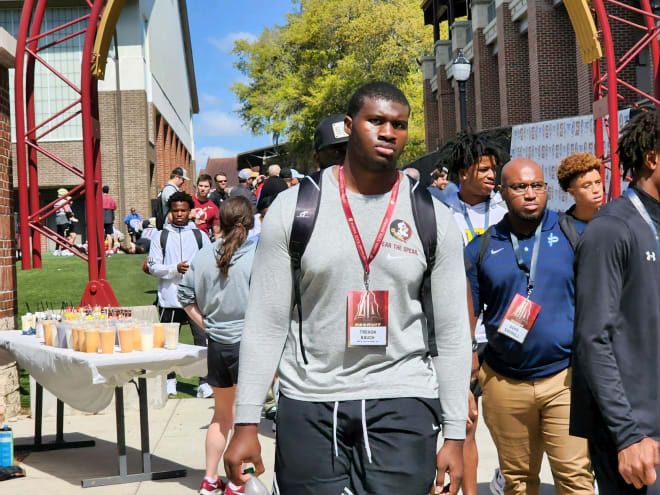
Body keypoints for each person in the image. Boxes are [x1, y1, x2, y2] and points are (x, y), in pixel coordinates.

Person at [224, 81, 471, 494]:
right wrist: (246, 421)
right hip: (310, 398)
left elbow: (450, 332)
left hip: (403, 396)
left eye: (399, 124)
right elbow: (266, 322)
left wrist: (455, 434)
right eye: (376, 121)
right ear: (349, 125)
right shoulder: (295, 209)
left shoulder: (434, 217)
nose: (389, 132)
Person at [465, 158, 594, 495]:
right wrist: (467, 367)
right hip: (504, 382)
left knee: (576, 478)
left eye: (537, 185)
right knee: (518, 482)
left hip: (563, 379)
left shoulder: (573, 234)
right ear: (502, 192)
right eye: (520, 187)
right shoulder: (481, 248)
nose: (530, 194)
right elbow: (469, 315)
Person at [571, 110, 660, 494]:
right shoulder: (611, 230)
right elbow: (593, 338)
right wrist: (628, 435)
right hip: (639, 438)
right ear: (653, 159)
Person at [442, 131, 509, 495]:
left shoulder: (507, 210)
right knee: (465, 425)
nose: (490, 176)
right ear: (463, 172)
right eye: (483, 169)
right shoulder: (440, 214)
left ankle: (506, 478)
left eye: (493, 170)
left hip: (504, 334)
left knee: (511, 424)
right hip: (460, 338)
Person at [178, 196, 258, 495]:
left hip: (218, 345)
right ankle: (239, 482)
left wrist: (206, 325)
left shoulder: (201, 256)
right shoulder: (257, 254)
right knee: (245, 420)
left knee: (221, 416)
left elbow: (184, 297)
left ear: (218, 221)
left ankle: (210, 479)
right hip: (247, 345)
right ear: (249, 223)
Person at [147, 191, 212, 398]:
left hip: (196, 298)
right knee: (168, 343)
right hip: (169, 298)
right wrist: (174, 268)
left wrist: (197, 270)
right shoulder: (161, 236)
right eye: (175, 211)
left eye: (183, 210)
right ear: (170, 212)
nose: (180, 214)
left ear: (190, 211)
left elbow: (211, 263)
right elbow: (152, 267)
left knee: (201, 340)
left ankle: (204, 382)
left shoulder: (200, 235)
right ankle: (170, 380)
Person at [557, 152, 603, 232]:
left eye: (598, 182)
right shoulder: (561, 228)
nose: (596, 190)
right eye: (587, 186)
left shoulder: (615, 218)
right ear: (572, 192)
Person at [192, 174, 220, 239]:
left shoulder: (213, 208)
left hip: (204, 240)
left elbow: (217, 232)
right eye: (200, 186)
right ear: (197, 186)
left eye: (206, 186)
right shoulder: (188, 201)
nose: (203, 189)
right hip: (188, 239)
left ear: (210, 188)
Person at [54, 188, 78, 256]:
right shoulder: (64, 201)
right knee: (65, 235)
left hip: (58, 219)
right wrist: (72, 217)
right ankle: (64, 250)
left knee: (60, 236)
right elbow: (67, 211)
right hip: (64, 219)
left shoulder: (56, 202)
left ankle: (56, 250)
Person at [102, 185, 117, 256]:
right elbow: (114, 208)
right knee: (109, 234)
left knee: (100, 234)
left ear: (102, 190)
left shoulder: (100, 198)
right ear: (108, 191)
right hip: (109, 218)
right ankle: (109, 252)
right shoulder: (111, 199)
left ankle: (100, 251)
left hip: (101, 218)